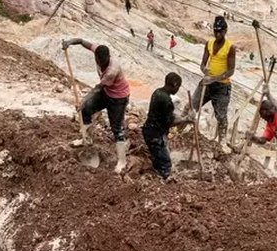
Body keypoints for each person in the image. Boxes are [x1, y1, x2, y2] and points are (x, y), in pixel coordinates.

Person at [62, 38, 131, 173]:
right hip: (107, 91)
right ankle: (86, 139)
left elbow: (97, 88)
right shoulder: (98, 51)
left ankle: (122, 161)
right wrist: (69, 43)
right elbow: (81, 41)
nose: (101, 63)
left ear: (108, 57)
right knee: (86, 110)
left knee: (117, 129)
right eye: (100, 61)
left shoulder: (112, 71)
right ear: (96, 58)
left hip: (118, 98)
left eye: (104, 61)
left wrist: (83, 100)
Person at [195, 15, 236, 143]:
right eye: (215, 31)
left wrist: (214, 79)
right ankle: (178, 131)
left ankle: (222, 142)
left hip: (222, 86)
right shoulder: (209, 43)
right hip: (207, 82)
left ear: (225, 31)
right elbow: (203, 64)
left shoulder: (230, 47)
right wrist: (204, 70)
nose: (217, 34)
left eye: (220, 31)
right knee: (191, 107)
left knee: (221, 116)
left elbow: (231, 71)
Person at [143, 72, 191, 179]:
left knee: (158, 157)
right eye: (178, 86)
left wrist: (183, 117)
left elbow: (168, 115)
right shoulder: (166, 100)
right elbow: (170, 122)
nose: (178, 89)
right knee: (165, 163)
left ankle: (156, 172)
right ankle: (161, 181)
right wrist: (186, 119)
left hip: (149, 130)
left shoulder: (158, 92)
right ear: (174, 85)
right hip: (156, 135)